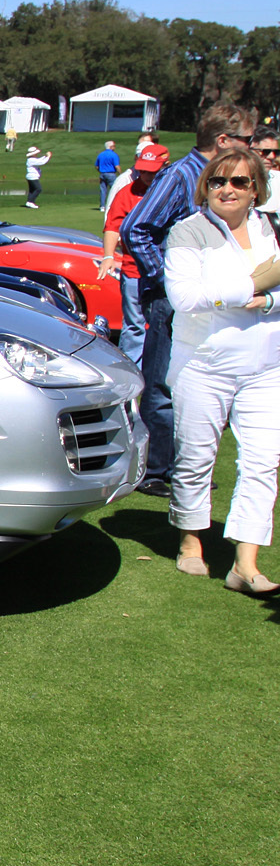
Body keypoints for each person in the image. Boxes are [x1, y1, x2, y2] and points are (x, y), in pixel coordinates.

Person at [162, 146, 280, 594]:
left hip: (268, 364)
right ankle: (191, 542)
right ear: (206, 186)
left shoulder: (271, 229)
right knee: (196, 455)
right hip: (204, 363)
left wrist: (268, 298)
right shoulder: (187, 232)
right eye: (218, 181)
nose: (227, 190)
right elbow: (185, 297)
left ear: (256, 190)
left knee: (263, 461)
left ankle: (245, 563)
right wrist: (255, 283)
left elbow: (273, 291)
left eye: (240, 182)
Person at [123, 103, 258, 497]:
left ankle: (185, 468)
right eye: (245, 140)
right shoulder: (182, 176)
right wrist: (168, 280)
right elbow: (137, 228)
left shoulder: (214, 179)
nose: (250, 147)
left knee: (196, 381)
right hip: (175, 299)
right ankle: (157, 470)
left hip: (204, 300)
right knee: (165, 383)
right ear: (223, 140)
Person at [100, 145, 168, 365]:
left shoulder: (171, 191)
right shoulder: (127, 192)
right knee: (134, 325)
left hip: (168, 269)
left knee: (166, 323)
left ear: (166, 166)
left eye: (153, 171)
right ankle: (132, 375)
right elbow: (113, 226)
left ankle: (159, 372)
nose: (147, 176)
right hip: (133, 269)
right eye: (143, 171)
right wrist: (109, 255)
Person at [253, 125, 280, 219]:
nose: (272, 157)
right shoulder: (234, 181)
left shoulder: (278, 180)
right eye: (265, 151)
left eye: (276, 152)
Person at [96, 141, 120, 211]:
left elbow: (97, 166)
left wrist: (101, 171)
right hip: (111, 174)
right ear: (111, 147)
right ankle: (113, 205)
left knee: (103, 190)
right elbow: (117, 166)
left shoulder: (100, 154)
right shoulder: (114, 155)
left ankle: (102, 206)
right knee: (114, 190)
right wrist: (120, 174)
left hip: (102, 174)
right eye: (114, 146)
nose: (115, 147)